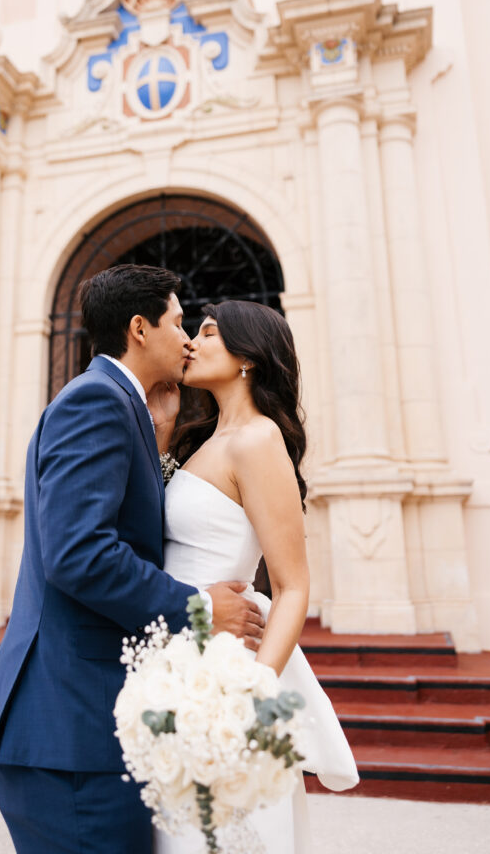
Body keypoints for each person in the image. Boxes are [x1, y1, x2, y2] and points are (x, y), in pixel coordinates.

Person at [0, 265, 265, 854]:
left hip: (91, 726)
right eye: (179, 321)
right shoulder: (95, 403)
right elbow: (79, 554)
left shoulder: (119, 405)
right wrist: (198, 607)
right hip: (73, 729)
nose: (188, 339)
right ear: (140, 328)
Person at [150, 300, 359, 854]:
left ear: (249, 358)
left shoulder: (259, 440)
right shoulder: (202, 441)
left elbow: (292, 585)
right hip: (171, 655)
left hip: (224, 665)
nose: (192, 341)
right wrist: (166, 428)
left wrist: (251, 692)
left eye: (210, 332)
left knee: (219, 829)